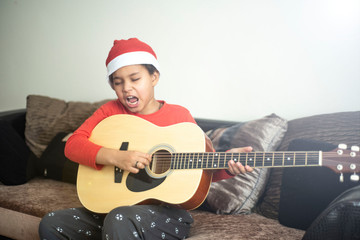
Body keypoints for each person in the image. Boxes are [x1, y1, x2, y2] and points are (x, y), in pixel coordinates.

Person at [39, 38, 253, 240]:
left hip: (166, 216)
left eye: (135, 79)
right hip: (112, 210)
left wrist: (226, 165)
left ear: (154, 77)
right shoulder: (110, 112)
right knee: (51, 223)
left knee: (119, 219)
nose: (127, 88)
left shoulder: (179, 117)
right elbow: (73, 146)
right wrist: (116, 157)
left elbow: (197, 174)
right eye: (118, 82)